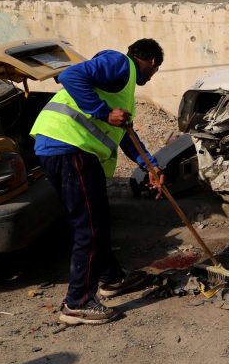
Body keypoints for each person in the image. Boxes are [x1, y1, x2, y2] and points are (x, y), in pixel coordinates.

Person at [30, 38, 166, 325]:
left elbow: (127, 135)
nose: (152, 77)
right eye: (155, 71)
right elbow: (69, 75)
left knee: (96, 219)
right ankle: (77, 303)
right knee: (89, 227)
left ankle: (112, 278)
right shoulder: (119, 63)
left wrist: (150, 166)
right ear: (153, 62)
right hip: (68, 147)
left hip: (67, 149)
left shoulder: (121, 85)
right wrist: (103, 111)